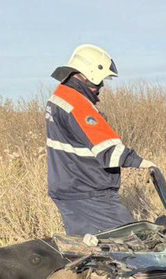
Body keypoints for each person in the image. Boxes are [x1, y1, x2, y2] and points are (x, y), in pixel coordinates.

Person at [44, 44, 157, 236]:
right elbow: (108, 150)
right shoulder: (77, 104)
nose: (101, 87)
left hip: (67, 188)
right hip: (89, 192)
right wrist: (141, 162)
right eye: (99, 81)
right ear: (86, 76)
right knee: (131, 241)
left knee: (90, 245)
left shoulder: (59, 97)